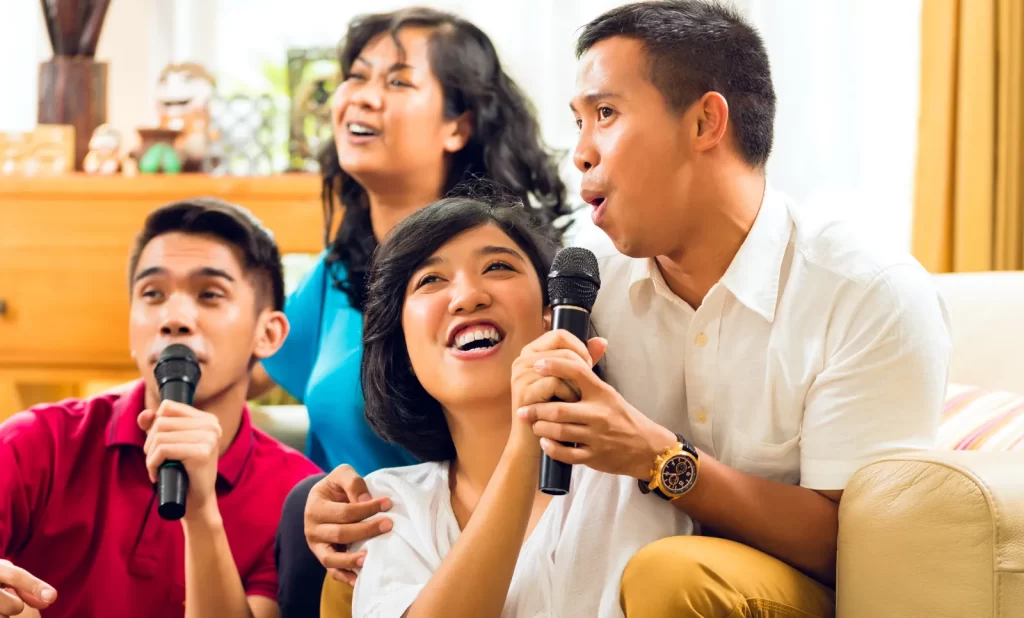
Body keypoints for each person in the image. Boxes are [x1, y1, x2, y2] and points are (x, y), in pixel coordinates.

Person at [302, 2, 953, 617]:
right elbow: (473, 396)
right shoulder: (585, 281)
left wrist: (660, 460)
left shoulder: (866, 292)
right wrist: (329, 498)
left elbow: (866, 550)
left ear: (704, 123)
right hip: (623, 559)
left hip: (789, 585)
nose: (581, 152)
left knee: (670, 575)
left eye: (606, 114)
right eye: (578, 122)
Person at [252, 9, 569, 613]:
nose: (363, 97)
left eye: (398, 81)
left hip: (520, 548)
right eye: (356, 75)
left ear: (458, 125)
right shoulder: (335, 274)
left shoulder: (536, 273)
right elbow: (237, 375)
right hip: (368, 563)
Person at [316, 196, 690, 618]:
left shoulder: (633, 484)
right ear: (402, 346)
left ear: (551, 317)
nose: (467, 297)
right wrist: (523, 443)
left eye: (497, 267)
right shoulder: (386, 506)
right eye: (431, 280)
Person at [0, 198, 320, 618]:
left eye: (210, 294)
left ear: (268, 334)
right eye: (152, 294)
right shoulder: (38, 441)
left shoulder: (298, 496)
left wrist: (201, 513)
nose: (174, 318)